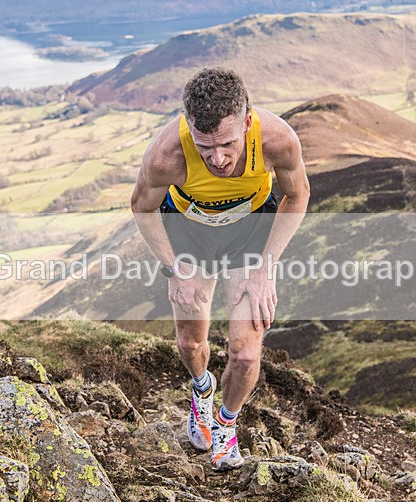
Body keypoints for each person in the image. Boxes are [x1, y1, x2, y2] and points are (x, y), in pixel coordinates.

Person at [130, 67, 310, 470]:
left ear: (246, 122)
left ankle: (226, 425)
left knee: (245, 355)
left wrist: (266, 266)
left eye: (227, 144)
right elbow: (141, 207)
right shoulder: (166, 156)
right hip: (188, 234)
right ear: (189, 129)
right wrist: (175, 268)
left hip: (249, 234)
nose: (218, 158)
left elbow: (297, 196)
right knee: (191, 344)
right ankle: (201, 388)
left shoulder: (276, 140)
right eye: (204, 146)